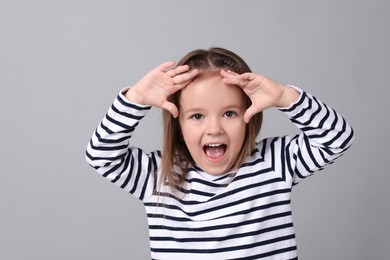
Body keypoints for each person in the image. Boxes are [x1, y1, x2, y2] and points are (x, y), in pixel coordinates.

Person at [85, 47, 354, 259]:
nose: (214, 129)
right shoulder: (158, 176)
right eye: (197, 116)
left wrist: (285, 96)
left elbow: (337, 138)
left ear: (250, 115)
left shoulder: (273, 163)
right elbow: (101, 155)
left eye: (229, 113)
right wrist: (134, 99)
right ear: (177, 123)